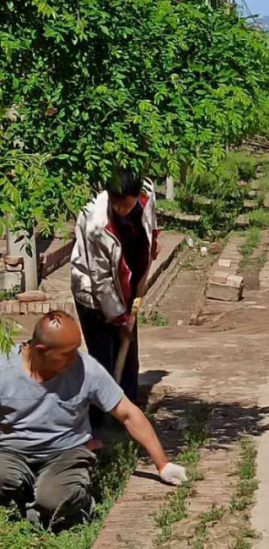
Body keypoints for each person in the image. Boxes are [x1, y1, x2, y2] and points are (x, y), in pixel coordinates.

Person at [0, 312, 186, 530]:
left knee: (55, 502)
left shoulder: (85, 368)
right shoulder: (5, 369)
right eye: (67, 354)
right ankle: (28, 505)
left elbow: (128, 413)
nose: (75, 358)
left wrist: (163, 464)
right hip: (11, 453)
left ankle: (64, 504)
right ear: (41, 350)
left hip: (64, 454)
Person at [70, 169, 160, 425]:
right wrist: (120, 318)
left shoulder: (146, 193)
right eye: (116, 203)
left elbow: (150, 220)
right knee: (103, 356)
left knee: (129, 350)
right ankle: (99, 420)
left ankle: (128, 409)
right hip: (93, 293)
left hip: (128, 283)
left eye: (126, 204)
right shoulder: (95, 223)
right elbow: (101, 281)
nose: (120, 209)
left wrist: (153, 239)